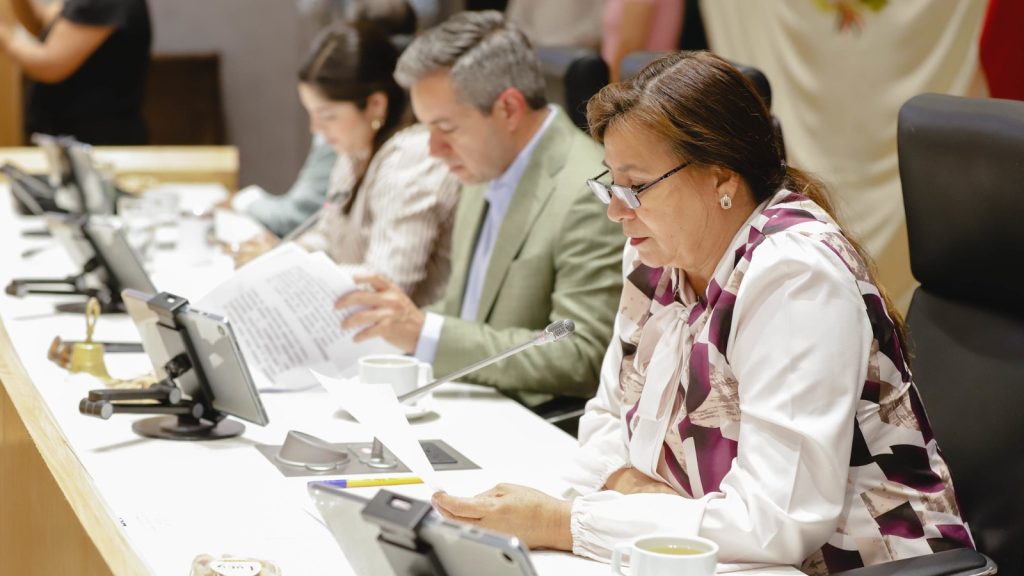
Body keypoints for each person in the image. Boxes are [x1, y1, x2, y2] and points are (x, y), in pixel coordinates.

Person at [431, 52, 973, 574]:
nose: (616, 210)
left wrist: (568, 522)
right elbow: (605, 421)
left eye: (636, 187)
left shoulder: (793, 275)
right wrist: (633, 494)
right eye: (612, 183)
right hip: (714, 557)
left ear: (721, 178)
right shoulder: (654, 255)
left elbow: (775, 522)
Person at [335, 11, 623, 410]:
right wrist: (390, 322)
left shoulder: (588, 191)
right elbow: (468, 310)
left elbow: (581, 356)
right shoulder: (484, 164)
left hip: (531, 424)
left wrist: (424, 332)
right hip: (470, 401)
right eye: (426, 128)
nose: (434, 149)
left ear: (508, 109)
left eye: (446, 128)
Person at [238, 20, 459, 307]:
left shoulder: (410, 158)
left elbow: (383, 283)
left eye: (327, 116)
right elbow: (328, 235)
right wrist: (283, 253)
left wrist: (285, 270)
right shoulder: (355, 151)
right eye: (311, 114)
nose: (315, 128)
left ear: (376, 105)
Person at [0, 0, 151, 144]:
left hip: (96, 135)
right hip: (75, 130)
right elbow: (44, 25)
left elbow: (51, 64)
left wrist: (6, 38)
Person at [230, 135, 337, 238]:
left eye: (328, 119)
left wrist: (250, 203)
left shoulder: (333, 144)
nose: (315, 127)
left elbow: (296, 215)